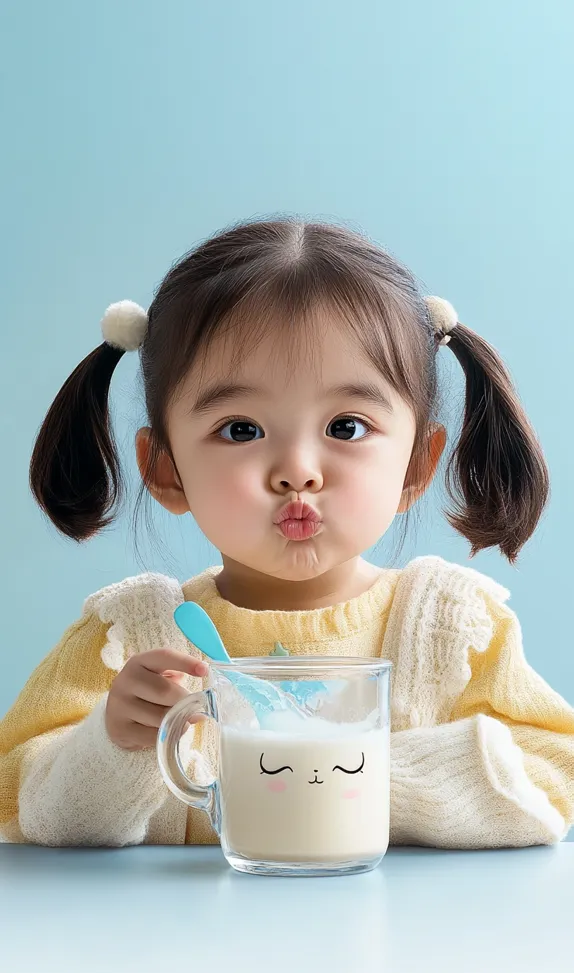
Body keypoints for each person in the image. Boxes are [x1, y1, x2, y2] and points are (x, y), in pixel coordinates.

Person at [1, 218, 573, 849]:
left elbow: (555, 780)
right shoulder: (129, 635)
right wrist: (113, 746)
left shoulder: (452, 627)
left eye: (347, 427)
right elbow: (23, 806)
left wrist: (364, 776)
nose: (297, 471)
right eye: (241, 430)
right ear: (165, 470)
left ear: (416, 464)